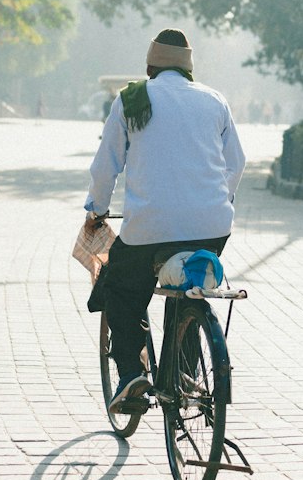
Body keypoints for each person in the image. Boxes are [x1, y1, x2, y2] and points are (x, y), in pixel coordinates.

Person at [83, 28, 246, 412]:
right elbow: (236, 163)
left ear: (149, 66)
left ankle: (131, 374)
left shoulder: (132, 99)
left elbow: (107, 164)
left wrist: (97, 208)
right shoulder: (214, 100)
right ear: (189, 69)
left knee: (123, 291)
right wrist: (218, 200)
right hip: (212, 226)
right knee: (188, 290)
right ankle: (184, 368)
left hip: (149, 230)